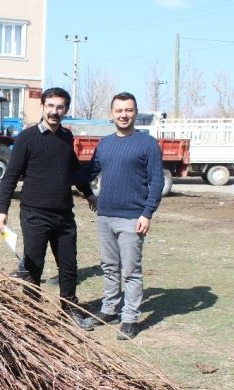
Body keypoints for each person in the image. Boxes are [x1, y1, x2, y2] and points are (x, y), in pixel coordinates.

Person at [0, 87, 97, 331]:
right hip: (34, 214)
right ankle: (31, 313)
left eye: (60, 107)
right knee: (33, 265)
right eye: (50, 106)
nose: (54, 111)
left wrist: (89, 193)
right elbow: (11, 176)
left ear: (66, 110)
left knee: (69, 265)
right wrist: (2, 209)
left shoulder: (66, 137)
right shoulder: (27, 138)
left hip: (63, 215)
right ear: (42, 107)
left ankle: (69, 308)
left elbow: (72, 168)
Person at [85, 92, 164, 340]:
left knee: (130, 270)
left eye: (128, 110)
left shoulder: (147, 144)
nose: (123, 114)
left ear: (135, 112)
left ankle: (129, 318)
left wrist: (147, 213)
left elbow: (157, 180)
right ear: (111, 113)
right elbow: (90, 171)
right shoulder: (105, 144)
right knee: (109, 267)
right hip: (105, 215)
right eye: (119, 110)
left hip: (132, 218)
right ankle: (109, 309)